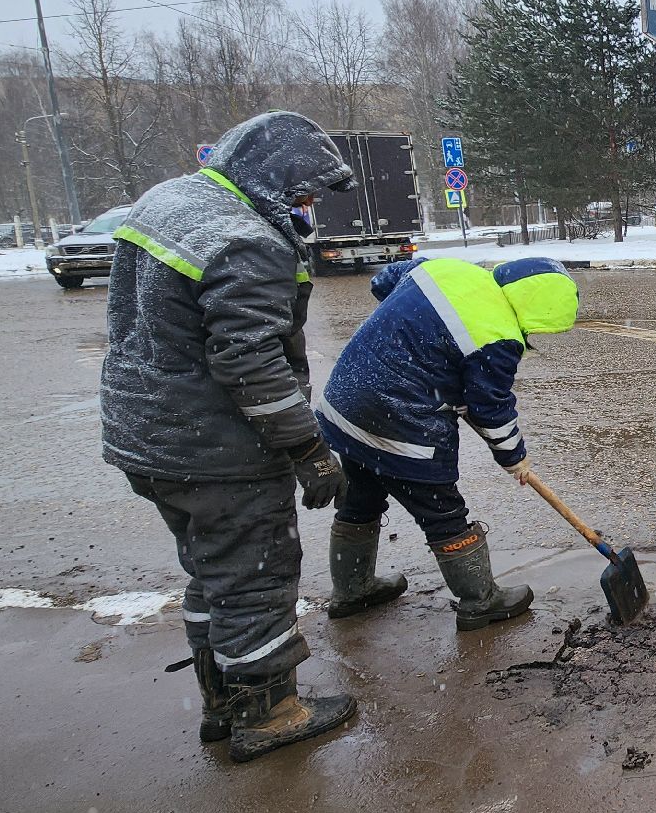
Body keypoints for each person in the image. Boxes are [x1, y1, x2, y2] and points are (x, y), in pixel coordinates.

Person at [101, 111, 360, 764]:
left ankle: (220, 701)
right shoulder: (247, 242)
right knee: (255, 574)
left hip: (148, 437)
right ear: (271, 177)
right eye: (303, 193)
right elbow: (251, 363)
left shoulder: (169, 201)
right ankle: (269, 713)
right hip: (216, 448)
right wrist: (306, 449)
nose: (307, 208)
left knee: (213, 570)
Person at [313, 255, 579, 631]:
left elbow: (383, 283)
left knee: (363, 496)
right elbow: (491, 407)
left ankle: (352, 591)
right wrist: (514, 458)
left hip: (348, 402)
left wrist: (415, 341)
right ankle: (480, 600)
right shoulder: (498, 333)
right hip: (402, 420)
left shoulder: (446, 269)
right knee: (442, 511)